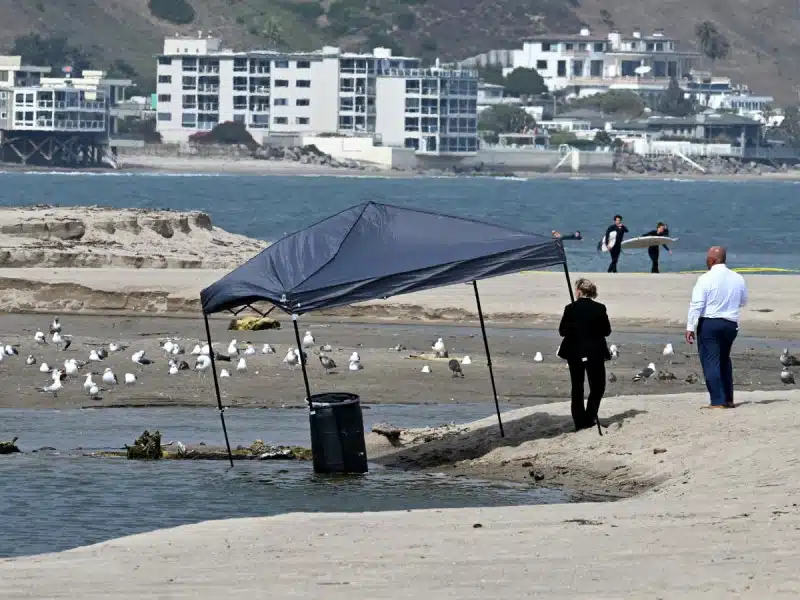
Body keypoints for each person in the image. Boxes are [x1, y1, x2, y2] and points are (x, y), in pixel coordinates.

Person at [685, 247, 748, 408]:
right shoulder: (738, 278)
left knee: (710, 361)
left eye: (708, 258)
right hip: (730, 323)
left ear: (713, 260)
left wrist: (690, 326)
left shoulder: (705, 278)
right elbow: (743, 301)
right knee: (724, 360)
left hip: (711, 323)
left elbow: (696, 305)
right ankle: (728, 399)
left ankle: (717, 401)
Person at [558, 278, 612, 431]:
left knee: (577, 386)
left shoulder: (570, 308)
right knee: (597, 386)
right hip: (594, 351)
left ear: (579, 291)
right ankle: (588, 417)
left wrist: (576, 329)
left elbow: (562, 331)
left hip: (575, 351)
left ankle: (580, 421)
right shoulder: (600, 308)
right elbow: (606, 331)